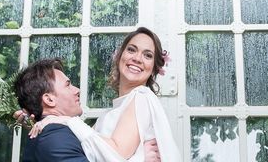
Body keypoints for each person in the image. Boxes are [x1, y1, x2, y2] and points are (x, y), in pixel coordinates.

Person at [29, 27, 181, 161]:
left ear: (153, 69)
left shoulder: (141, 96)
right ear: (120, 55)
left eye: (148, 55)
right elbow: (83, 148)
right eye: (131, 50)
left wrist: (67, 120)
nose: (137, 58)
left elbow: (117, 154)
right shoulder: (110, 113)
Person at [13, 57, 161, 162]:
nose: (76, 90)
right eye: (68, 85)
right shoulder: (54, 138)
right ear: (49, 99)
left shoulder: (58, 133)